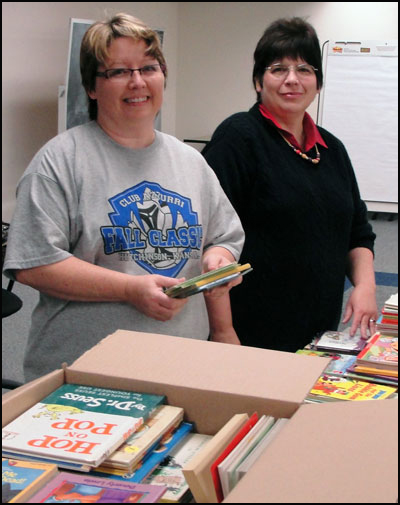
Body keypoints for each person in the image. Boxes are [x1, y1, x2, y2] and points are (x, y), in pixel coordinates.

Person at [3, 13, 244, 382]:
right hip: (84, 374)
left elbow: (223, 238)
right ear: (92, 87)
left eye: (149, 68)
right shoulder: (59, 161)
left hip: (181, 367)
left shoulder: (191, 162)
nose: (137, 82)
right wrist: (130, 289)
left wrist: (217, 260)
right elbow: (34, 262)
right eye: (118, 71)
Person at [202, 17, 377, 353]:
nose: (292, 79)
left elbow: (357, 230)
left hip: (317, 330)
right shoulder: (238, 139)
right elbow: (210, 242)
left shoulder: (331, 149)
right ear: (258, 80)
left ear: (318, 83)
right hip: (249, 334)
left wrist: (366, 285)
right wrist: (223, 332)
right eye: (278, 68)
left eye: (305, 69)